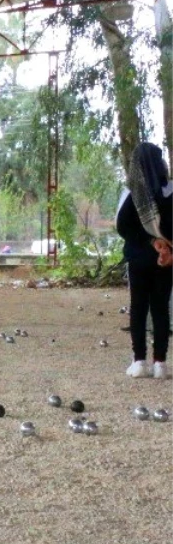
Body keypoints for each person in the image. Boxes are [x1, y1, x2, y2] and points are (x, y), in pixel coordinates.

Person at [116, 142, 173, 379]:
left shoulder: (131, 194)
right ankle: (160, 363)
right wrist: (167, 249)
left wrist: (151, 242)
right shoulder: (170, 190)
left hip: (139, 260)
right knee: (161, 309)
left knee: (139, 308)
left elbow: (123, 226)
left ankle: (139, 361)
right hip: (167, 260)